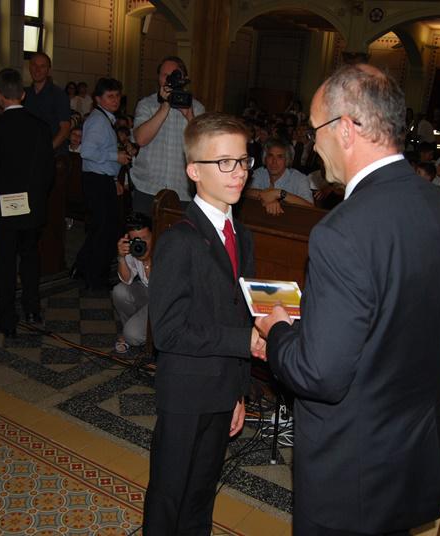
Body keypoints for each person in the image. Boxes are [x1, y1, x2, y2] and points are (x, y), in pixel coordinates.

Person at [255, 64, 440, 535]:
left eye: (315, 130)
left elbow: (320, 374)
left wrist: (278, 329)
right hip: (412, 450)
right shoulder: (437, 205)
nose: (312, 144)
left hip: (354, 467)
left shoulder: (343, 230)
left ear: (345, 129)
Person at [143, 112, 264, 535]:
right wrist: (244, 341)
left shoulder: (241, 235)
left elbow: (240, 311)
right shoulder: (179, 239)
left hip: (222, 388)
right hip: (186, 390)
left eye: (243, 161)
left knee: (201, 492)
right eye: (225, 162)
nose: (239, 172)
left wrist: (238, 392)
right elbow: (169, 331)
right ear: (194, 171)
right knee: (169, 494)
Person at [0, 69, 54, 338]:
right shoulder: (41, 128)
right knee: (31, 258)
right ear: (23, 94)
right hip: (33, 206)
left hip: (4, 208)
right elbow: (48, 173)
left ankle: (7, 318)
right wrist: (37, 199)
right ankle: (32, 309)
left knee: (6, 261)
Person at [71, 77, 130, 289]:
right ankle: (95, 277)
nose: (115, 100)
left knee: (102, 228)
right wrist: (116, 157)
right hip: (97, 181)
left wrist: (114, 179)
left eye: (117, 96)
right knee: (105, 230)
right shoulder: (98, 120)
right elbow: (87, 152)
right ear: (98, 99)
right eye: (110, 96)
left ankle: (82, 267)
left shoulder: (104, 119)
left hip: (102, 179)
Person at [130, 56, 205, 215]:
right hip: (147, 187)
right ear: (159, 78)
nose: (169, 79)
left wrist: (190, 116)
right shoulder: (147, 105)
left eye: (174, 75)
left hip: (183, 191)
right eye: (165, 75)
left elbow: (204, 147)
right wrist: (165, 106)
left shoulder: (197, 108)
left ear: (184, 78)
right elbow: (141, 139)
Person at [110, 212, 153, 353]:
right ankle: (132, 329)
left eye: (145, 238)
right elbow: (126, 280)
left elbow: (160, 288)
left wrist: (147, 261)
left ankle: (137, 335)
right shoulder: (134, 247)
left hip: (163, 300)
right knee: (119, 291)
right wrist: (121, 257)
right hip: (147, 293)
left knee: (132, 335)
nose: (141, 243)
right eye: (135, 239)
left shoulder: (164, 248)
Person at [245, 137, 313, 215]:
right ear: (265, 158)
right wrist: (269, 197)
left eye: (280, 157)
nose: (274, 161)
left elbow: (311, 208)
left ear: (286, 160)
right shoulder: (259, 173)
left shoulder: (299, 179)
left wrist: (279, 193)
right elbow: (246, 192)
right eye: (270, 155)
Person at [23, 52, 71, 152]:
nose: (37, 70)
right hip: (30, 150)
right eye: (34, 65)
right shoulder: (23, 94)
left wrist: (47, 150)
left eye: (42, 66)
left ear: (48, 70)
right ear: (29, 67)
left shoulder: (59, 94)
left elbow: (65, 129)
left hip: (53, 152)